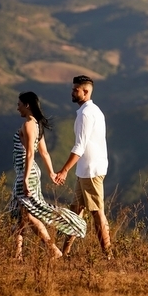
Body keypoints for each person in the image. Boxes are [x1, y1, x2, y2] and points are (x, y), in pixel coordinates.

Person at [9, 91, 87, 260]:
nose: (17, 108)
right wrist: (51, 173)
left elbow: (31, 153)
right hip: (29, 172)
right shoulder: (37, 124)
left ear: (27, 105)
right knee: (21, 215)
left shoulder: (29, 124)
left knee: (29, 214)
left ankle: (53, 250)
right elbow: (44, 153)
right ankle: (17, 255)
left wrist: (24, 179)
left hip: (26, 172)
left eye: (19, 104)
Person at [54, 75, 112, 258]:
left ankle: (108, 255)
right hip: (87, 170)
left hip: (90, 171)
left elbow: (80, 146)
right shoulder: (94, 111)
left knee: (97, 213)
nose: (72, 92)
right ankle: (64, 254)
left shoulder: (86, 114)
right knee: (75, 212)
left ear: (85, 92)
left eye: (75, 90)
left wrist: (63, 171)